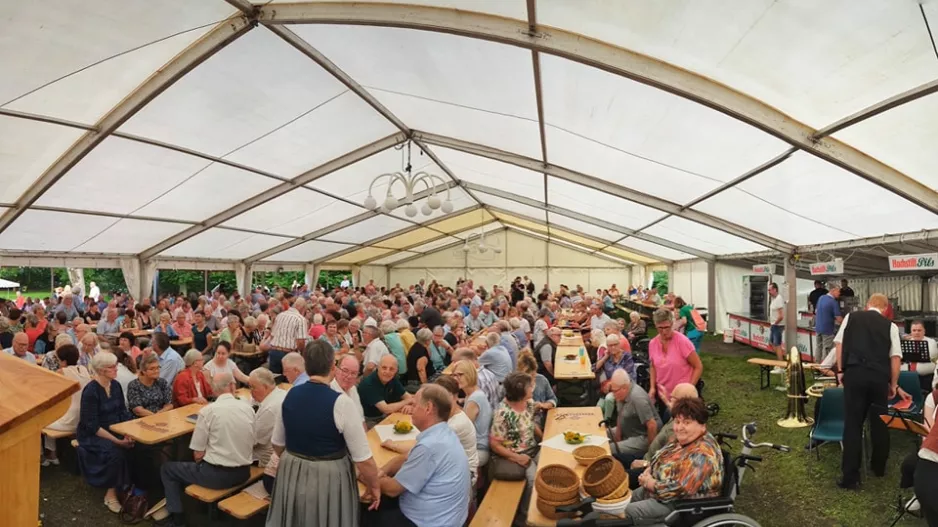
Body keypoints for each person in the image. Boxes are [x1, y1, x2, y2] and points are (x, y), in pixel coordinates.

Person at [266, 339, 381, 527]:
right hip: (329, 475)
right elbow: (363, 458)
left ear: (306, 366)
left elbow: (277, 443)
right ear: (333, 366)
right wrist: (374, 485)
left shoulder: (289, 395)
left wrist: (296, 460)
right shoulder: (342, 403)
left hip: (292, 469)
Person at [160, 373, 255, 527]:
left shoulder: (208, 411)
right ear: (232, 386)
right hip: (244, 472)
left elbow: (198, 454)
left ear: (213, 389)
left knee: (167, 468)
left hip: (217, 476)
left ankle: (177, 519)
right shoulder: (247, 408)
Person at [369, 384, 470, 527]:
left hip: (429, 522)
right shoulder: (443, 432)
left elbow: (392, 490)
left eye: (415, 405)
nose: (411, 410)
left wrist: (367, 476)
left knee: (368, 513)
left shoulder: (429, 446)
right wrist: (381, 472)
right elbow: (405, 457)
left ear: (428, 408)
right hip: (447, 515)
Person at [836, 293, 900, 489]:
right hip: (879, 378)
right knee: (880, 422)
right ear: (885, 308)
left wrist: (840, 370)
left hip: (855, 374)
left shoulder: (851, 317)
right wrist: (894, 384)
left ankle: (850, 477)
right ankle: (878, 467)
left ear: (868, 304)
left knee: (853, 425)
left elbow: (839, 344)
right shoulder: (891, 326)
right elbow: (895, 358)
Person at [625, 397, 723, 523]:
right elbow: (661, 456)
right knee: (616, 504)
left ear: (702, 425)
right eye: (677, 422)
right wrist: (649, 470)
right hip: (656, 490)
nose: (679, 427)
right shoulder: (683, 440)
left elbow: (680, 488)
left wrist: (650, 483)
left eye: (687, 422)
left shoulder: (702, 455)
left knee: (622, 513)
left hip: (678, 506)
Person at [77, 352, 136, 513]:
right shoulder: (91, 391)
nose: (116, 369)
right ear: (101, 370)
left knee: (138, 446)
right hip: (93, 434)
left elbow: (123, 412)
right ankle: (111, 494)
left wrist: (128, 432)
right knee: (115, 452)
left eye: (115, 365)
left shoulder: (115, 385)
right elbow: (91, 425)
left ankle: (132, 487)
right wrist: (118, 441)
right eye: (112, 367)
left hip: (116, 428)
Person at [490, 372, 542, 521]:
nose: (533, 387)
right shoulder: (502, 413)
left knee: (551, 464)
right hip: (515, 455)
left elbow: (530, 422)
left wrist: (544, 437)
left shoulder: (529, 403)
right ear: (520, 391)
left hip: (533, 449)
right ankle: (526, 516)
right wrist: (517, 457)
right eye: (530, 386)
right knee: (534, 480)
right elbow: (495, 445)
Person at [626, 383, 699, 487]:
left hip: (650, 468)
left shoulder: (680, 431)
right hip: (649, 457)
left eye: (672, 398)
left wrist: (645, 464)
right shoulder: (681, 416)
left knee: (619, 477)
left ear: (681, 404)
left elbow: (667, 464)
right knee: (617, 459)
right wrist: (665, 399)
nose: (670, 399)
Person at [42, 345, 90, 466]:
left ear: (63, 361)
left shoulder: (62, 372)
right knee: (52, 414)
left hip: (70, 420)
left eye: (58, 359)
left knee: (41, 420)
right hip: (84, 417)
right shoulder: (84, 369)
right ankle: (53, 453)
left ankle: (50, 454)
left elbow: (51, 393)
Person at [648, 309, 703, 413]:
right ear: (655, 326)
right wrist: (652, 388)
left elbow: (698, 366)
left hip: (682, 397)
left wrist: (689, 389)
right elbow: (653, 366)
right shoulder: (653, 344)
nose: (664, 331)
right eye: (660, 328)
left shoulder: (682, 342)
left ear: (672, 324)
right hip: (663, 395)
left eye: (667, 327)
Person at [452, 360, 492, 469]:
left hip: (479, 450)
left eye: (460, 375)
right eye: (454, 375)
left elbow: (463, 429)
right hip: (478, 445)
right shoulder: (473, 393)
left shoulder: (474, 399)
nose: (456, 378)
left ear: (470, 374)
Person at [359, 355, 414, 428]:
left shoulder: (392, 379)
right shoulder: (369, 384)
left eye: (391, 369)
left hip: (383, 416)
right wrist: (407, 401)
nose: (387, 372)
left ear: (396, 370)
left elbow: (409, 397)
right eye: (384, 368)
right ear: (378, 367)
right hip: (367, 421)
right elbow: (386, 409)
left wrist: (408, 405)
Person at [248, 367, 287, 469]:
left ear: (265, 387)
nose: (250, 391)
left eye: (253, 387)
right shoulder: (281, 393)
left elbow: (252, 441)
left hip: (263, 458)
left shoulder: (270, 409)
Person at [268, 297, 308, 376]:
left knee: (275, 379)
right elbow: (301, 341)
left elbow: (272, 335)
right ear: (302, 308)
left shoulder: (280, 315)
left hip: (274, 352)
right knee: (289, 380)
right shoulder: (300, 319)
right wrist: (302, 354)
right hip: (288, 353)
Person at [517, 351, 557, 428]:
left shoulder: (542, 380)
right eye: (528, 377)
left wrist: (543, 405)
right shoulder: (514, 385)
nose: (532, 379)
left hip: (543, 421)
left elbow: (553, 399)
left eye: (533, 374)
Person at [331, 355, 364, 423]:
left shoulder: (353, 388)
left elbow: (361, 419)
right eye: (345, 371)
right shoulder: (331, 392)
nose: (349, 376)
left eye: (354, 373)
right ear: (336, 370)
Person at [814, 285, 843, 364]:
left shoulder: (821, 298)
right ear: (833, 290)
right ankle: (825, 367)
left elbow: (816, 311)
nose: (839, 293)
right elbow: (838, 318)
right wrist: (846, 322)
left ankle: (816, 364)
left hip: (818, 328)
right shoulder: (833, 302)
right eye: (838, 291)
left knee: (819, 347)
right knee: (827, 348)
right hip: (827, 329)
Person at [767, 282, 786, 365]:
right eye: (768, 290)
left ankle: (781, 364)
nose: (769, 292)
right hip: (774, 324)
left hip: (778, 325)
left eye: (770, 290)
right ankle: (781, 358)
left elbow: (781, 316)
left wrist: (775, 324)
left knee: (777, 344)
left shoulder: (778, 299)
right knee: (771, 343)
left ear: (775, 289)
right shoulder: (774, 299)